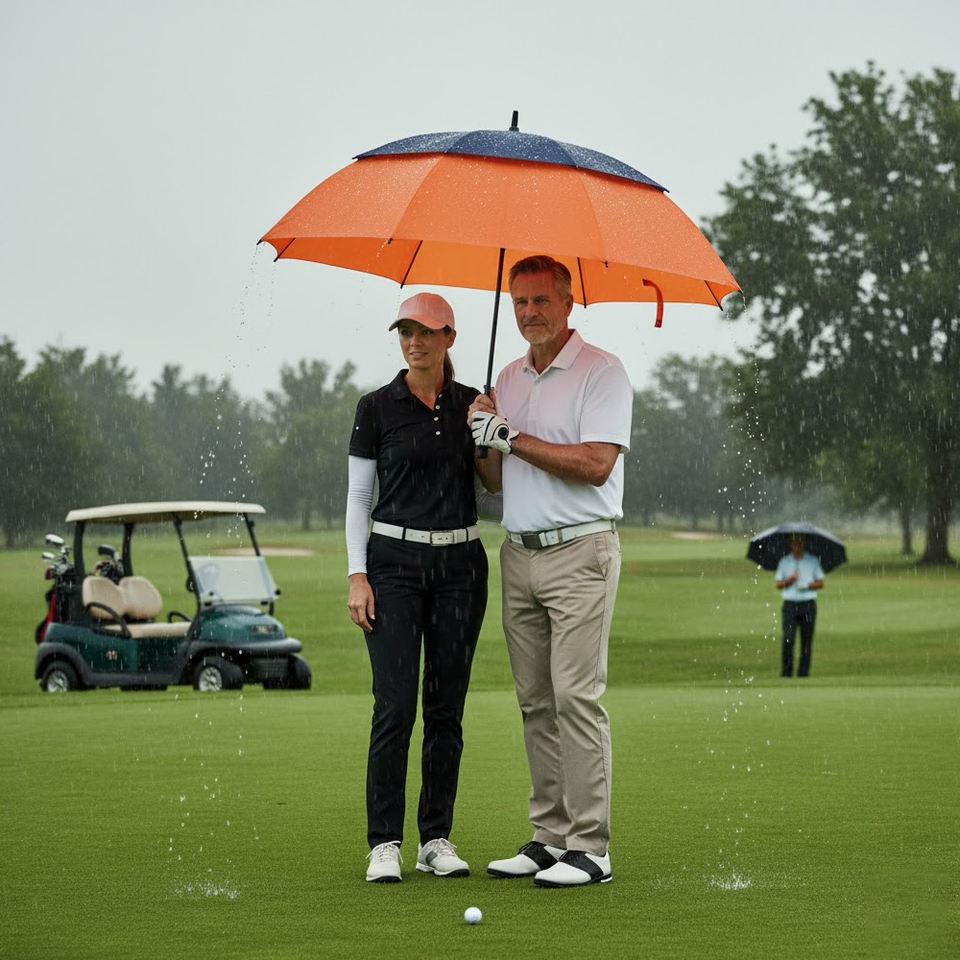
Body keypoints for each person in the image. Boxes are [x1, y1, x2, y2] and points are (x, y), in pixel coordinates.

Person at [468, 255, 633, 888]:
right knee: (535, 701)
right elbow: (494, 481)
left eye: (542, 300)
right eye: (520, 302)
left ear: (568, 303)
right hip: (518, 553)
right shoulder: (507, 377)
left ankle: (591, 847)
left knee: (575, 697)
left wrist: (507, 434)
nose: (530, 313)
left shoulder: (602, 372)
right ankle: (550, 837)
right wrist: (481, 435)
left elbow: (595, 464)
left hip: (581, 551)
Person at [346, 291, 488, 883]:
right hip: (393, 566)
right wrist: (357, 574)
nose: (414, 341)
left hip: (461, 567)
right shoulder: (377, 407)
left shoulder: (473, 403)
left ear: (449, 337)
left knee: (446, 709)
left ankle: (435, 838)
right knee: (396, 706)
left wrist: (490, 430)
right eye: (406, 331)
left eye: (427, 332)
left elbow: (494, 485)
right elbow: (359, 497)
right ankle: (385, 842)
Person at [775, 534, 825, 677]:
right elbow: (778, 584)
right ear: (790, 544)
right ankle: (787, 672)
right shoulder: (784, 561)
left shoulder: (813, 561)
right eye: (794, 542)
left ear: (804, 544)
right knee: (788, 638)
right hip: (790, 604)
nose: (797, 545)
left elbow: (820, 583)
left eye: (800, 542)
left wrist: (808, 585)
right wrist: (791, 579)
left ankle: (803, 673)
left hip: (807, 604)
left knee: (806, 640)